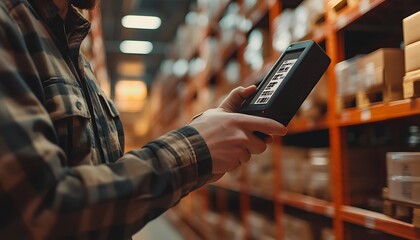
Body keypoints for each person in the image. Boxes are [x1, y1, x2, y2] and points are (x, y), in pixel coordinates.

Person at [0, 0, 287, 239]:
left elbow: (103, 180)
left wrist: (209, 147)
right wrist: (196, 148)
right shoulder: (9, 24)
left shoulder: (71, 49)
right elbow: (41, 211)